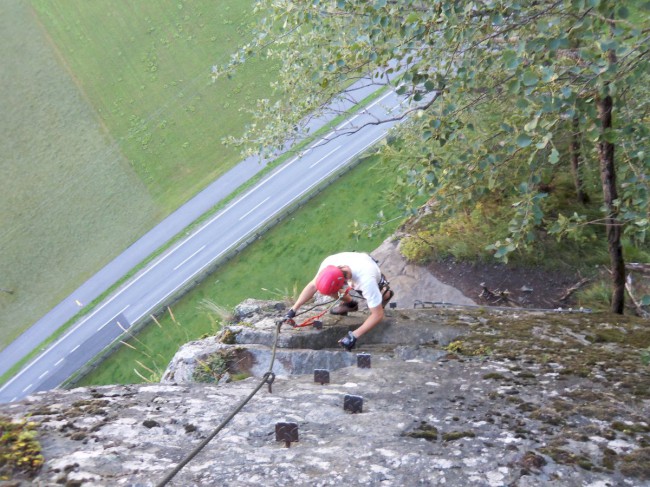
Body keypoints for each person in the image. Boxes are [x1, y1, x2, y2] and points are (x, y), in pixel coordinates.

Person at [284, 252, 393, 351]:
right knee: (326, 288)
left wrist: (353, 336)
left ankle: (385, 294)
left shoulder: (366, 281)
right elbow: (313, 286)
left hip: (369, 268)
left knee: (377, 297)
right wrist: (293, 310)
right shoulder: (329, 264)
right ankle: (350, 304)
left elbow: (378, 315)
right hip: (356, 263)